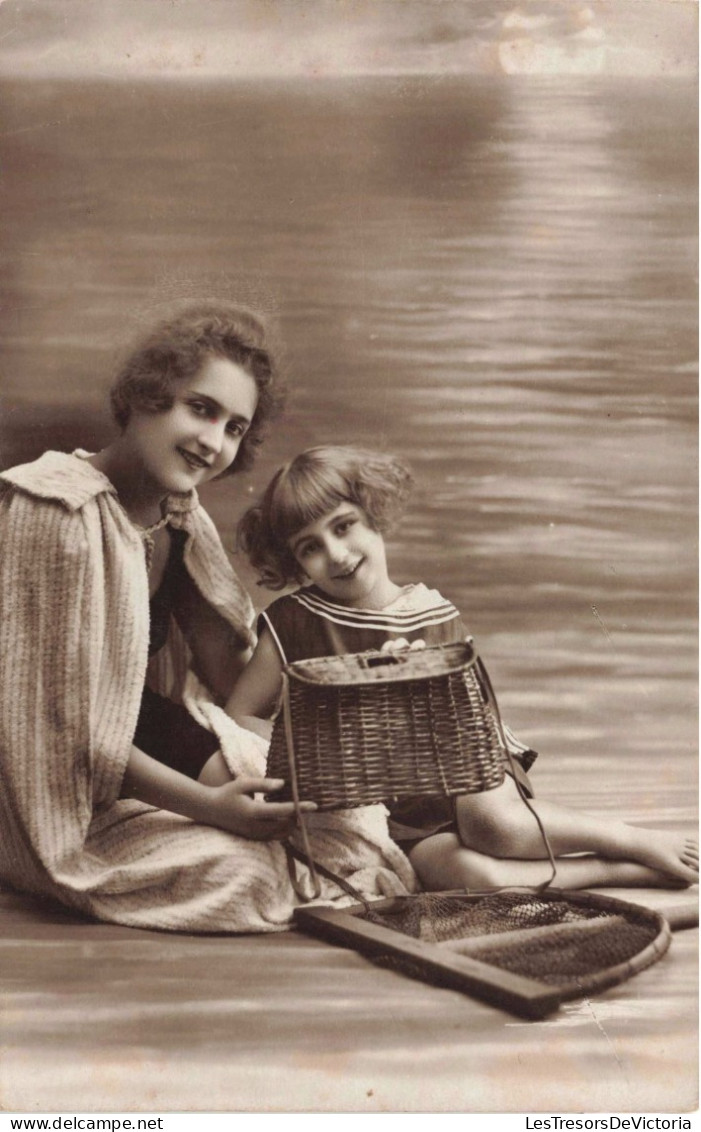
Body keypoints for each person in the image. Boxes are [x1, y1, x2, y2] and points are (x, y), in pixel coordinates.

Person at [0, 309, 414, 933]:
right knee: (253, 873)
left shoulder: (178, 515)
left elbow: (235, 676)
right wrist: (211, 809)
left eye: (234, 427)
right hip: (47, 782)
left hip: (145, 743)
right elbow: (58, 726)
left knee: (330, 820)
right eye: (200, 408)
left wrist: (367, 649)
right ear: (147, 395)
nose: (213, 442)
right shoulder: (57, 511)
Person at [209, 444, 699, 893]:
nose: (335, 555)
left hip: (468, 772)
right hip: (398, 809)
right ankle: (616, 870)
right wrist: (310, 743)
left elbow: (474, 727)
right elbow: (239, 714)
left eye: (343, 526)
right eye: (309, 547)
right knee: (464, 877)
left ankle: (624, 838)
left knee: (494, 826)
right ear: (293, 560)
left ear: (373, 513)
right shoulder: (293, 620)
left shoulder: (433, 614)